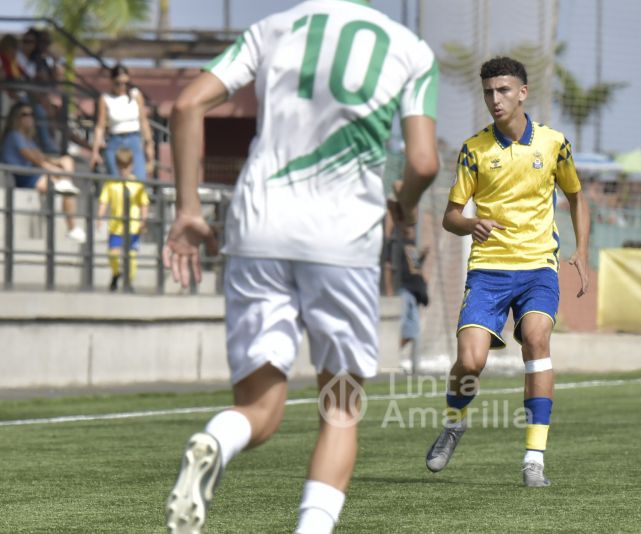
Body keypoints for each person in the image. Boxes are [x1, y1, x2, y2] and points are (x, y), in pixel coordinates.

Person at [161, 2, 439, 533]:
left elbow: (186, 105)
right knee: (339, 408)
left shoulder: (273, 28)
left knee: (260, 411)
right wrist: (403, 202)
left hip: (258, 228)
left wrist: (189, 210)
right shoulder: (409, 49)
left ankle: (217, 440)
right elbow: (424, 162)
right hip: (342, 238)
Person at [423, 57, 590, 487]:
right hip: (489, 270)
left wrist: (582, 252)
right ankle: (454, 421)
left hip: (538, 267)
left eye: (502, 91)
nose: (494, 100)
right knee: (470, 360)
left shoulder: (553, 144)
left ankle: (534, 457)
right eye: (488, 92)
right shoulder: (473, 149)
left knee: (536, 339)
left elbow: (577, 196)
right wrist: (469, 223)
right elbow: (450, 216)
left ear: (522, 93)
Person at [1, 101, 85, 243]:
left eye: (31, 114)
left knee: (67, 161)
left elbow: (42, 157)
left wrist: (61, 162)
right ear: (16, 117)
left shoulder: (27, 138)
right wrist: (59, 171)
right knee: (65, 188)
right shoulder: (14, 136)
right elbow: (36, 160)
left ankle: (66, 185)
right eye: (25, 114)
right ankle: (72, 228)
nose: (29, 118)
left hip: (34, 174)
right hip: (23, 177)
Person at [96, 147, 150, 292]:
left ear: (131, 166)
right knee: (113, 254)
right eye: (121, 166)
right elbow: (104, 202)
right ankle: (116, 273)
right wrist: (99, 217)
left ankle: (129, 282)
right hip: (116, 226)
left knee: (131, 255)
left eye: (126, 166)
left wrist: (143, 220)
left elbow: (143, 203)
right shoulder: (111, 183)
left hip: (133, 225)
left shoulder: (137, 185)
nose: (123, 170)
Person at [90, 64, 154, 181]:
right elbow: (100, 126)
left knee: (138, 180)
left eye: (125, 83)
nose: (122, 87)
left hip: (134, 139)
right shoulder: (105, 99)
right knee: (115, 181)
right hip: (115, 141)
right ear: (112, 81)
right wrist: (95, 151)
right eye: (118, 83)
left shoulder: (136, 95)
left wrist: (149, 144)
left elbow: (143, 121)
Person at [382, 219, 429, 350]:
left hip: (414, 294)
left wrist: (423, 257)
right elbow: (388, 266)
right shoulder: (397, 245)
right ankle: (388, 353)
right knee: (398, 326)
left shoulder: (412, 245)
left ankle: (393, 352)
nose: (411, 229)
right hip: (404, 290)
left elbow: (414, 266)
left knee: (413, 330)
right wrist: (389, 290)